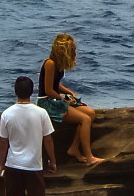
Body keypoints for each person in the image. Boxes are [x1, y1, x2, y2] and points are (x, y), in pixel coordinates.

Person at [0, 75, 57, 196]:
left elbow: (3, 142)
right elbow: (48, 140)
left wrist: (1, 164)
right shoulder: (41, 113)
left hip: (13, 163)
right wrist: (53, 161)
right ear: (31, 92)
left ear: (15, 92)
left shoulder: (7, 114)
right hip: (33, 165)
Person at [36, 33, 105, 165]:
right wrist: (63, 99)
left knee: (90, 113)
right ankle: (89, 156)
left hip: (56, 99)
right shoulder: (50, 63)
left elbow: (56, 85)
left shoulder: (58, 65)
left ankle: (74, 148)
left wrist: (68, 92)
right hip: (47, 102)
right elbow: (48, 90)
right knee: (85, 119)